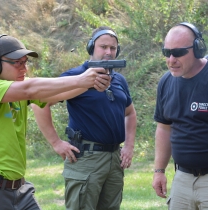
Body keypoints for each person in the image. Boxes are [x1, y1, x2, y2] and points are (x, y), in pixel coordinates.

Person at [0, 34, 111, 210]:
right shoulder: (13, 88)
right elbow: (30, 88)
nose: (24, 69)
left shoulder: (18, 87)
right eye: (17, 63)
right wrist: (80, 79)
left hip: (19, 188)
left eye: (25, 62)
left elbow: (56, 94)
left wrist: (90, 83)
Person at [32, 26, 137, 210]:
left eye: (112, 48)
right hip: (86, 158)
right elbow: (39, 103)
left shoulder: (119, 80)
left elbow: (130, 113)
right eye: (103, 47)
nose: (108, 52)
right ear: (91, 47)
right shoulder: (75, 76)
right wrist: (56, 143)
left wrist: (128, 146)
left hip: (114, 159)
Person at [152, 22, 208, 209]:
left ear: (198, 49)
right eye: (167, 53)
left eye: (178, 53)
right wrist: (159, 171)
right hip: (182, 179)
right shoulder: (166, 82)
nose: (171, 59)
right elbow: (164, 128)